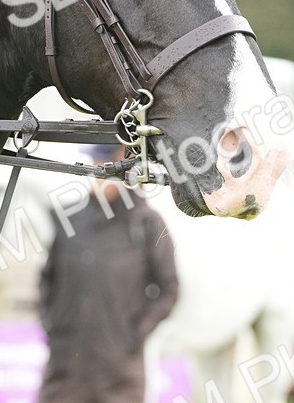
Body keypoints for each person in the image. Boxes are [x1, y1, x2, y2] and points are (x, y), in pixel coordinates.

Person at [38, 144, 180, 403]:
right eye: (97, 165)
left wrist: (134, 334)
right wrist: (52, 325)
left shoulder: (147, 224)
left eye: (108, 164)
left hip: (119, 376)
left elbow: (169, 289)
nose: (100, 174)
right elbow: (48, 278)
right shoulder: (68, 219)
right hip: (65, 370)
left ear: (129, 168)